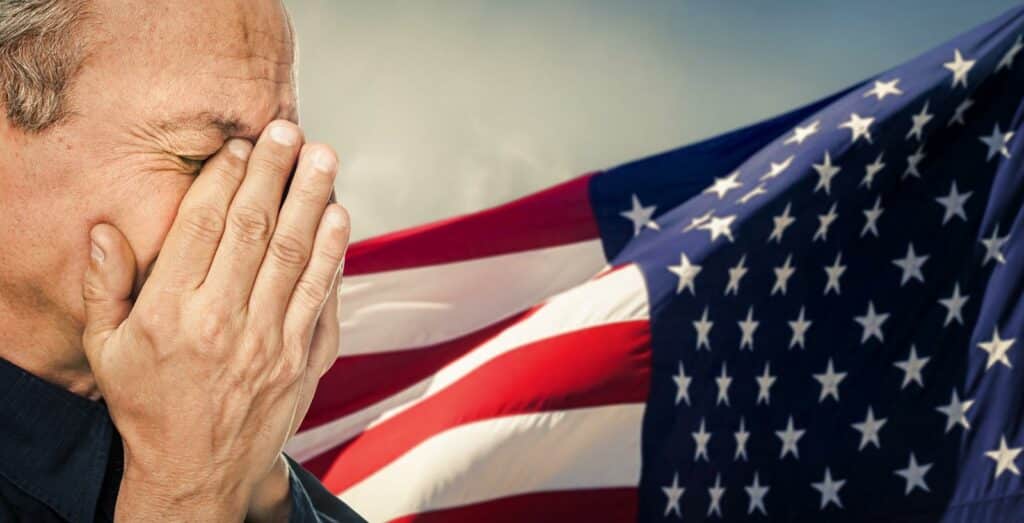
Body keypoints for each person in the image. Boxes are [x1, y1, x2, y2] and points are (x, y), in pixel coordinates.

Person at [0, 0, 366, 521]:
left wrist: (255, 481)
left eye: (280, 161)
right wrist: (186, 490)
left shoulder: (272, 491)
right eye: (200, 157)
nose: (268, 211)